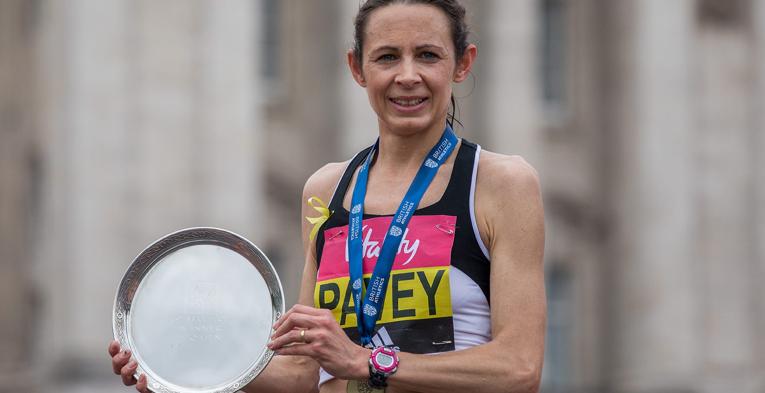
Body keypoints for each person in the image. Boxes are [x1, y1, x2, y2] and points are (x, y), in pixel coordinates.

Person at [109, 1, 546, 392]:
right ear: (357, 68)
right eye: (387, 57)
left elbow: (519, 367)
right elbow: (303, 372)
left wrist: (367, 361)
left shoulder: (499, 183)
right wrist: (180, 370)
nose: (407, 76)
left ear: (462, 63)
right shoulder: (327, 189)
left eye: (428, 55)